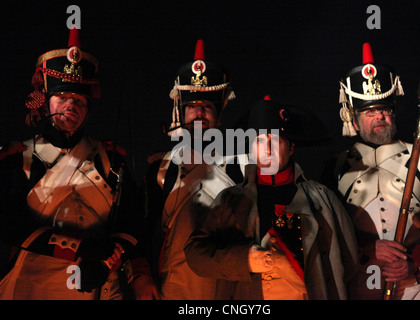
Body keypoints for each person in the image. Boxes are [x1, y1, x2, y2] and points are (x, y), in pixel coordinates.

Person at [0, 27, 144, 300]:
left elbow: (132, 221)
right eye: (62, 97)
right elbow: (9, 223)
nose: (71, 106)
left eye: (79, 100)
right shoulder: (18, 158)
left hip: (98, 286)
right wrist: (81, 248)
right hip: (33, 287)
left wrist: (103, 262)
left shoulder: (111, 159)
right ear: (45, 101)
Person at [184, 96, 359, 300]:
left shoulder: (323, 199)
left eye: (275, 141)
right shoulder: (229, 200)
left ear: (291, 148)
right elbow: (195, 253)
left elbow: (349, 262)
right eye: (259, 141)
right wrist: (245, 260)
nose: (268, 150)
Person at [321, 42, 420, 300]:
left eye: (384, 110)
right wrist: (368, 247)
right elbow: (327, 228)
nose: (379, 116)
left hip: (417, 281)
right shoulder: (335, 168)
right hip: (360, 282)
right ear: (353, 120)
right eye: (369, 112)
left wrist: (416, 260)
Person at [134, 39, 246, 300]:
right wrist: (141, 276)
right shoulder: (161, 169)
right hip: (174, 286)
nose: (199, 113)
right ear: (181, 113)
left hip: (229, 288)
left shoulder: (242, 164)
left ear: (219, 116)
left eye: (207, 107)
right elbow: (141, 229)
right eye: (192, 107)